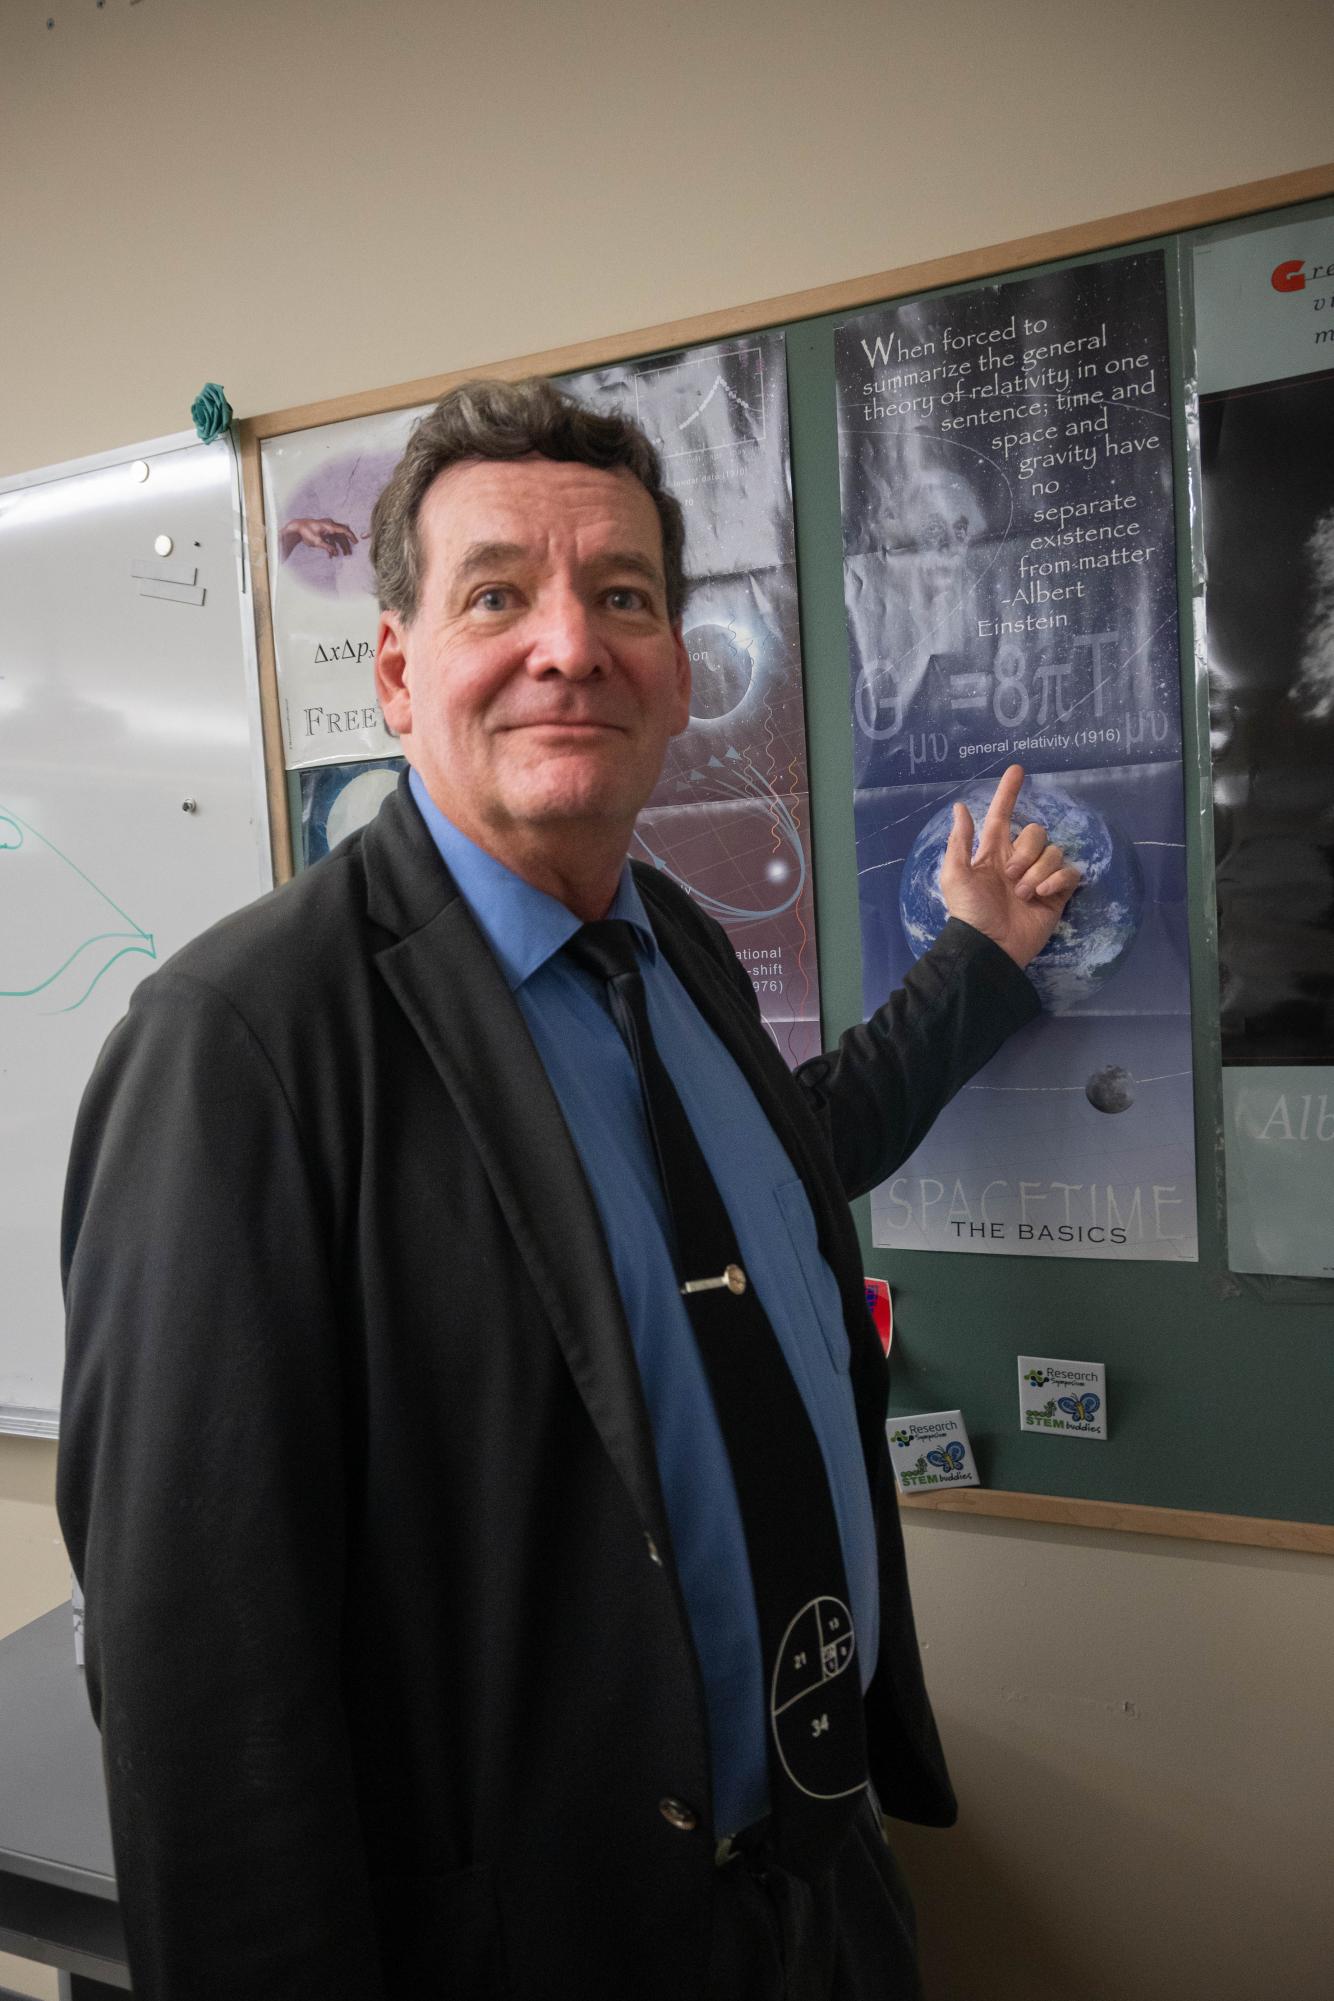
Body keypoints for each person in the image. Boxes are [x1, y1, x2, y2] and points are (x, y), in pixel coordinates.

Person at [58, 378, 1079, 2000]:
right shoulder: (243, 1048)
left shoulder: (674, 951)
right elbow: (204, 1698)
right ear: (397, 667)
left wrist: (970, 966)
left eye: (622, 597)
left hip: (824, 1896)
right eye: (495, 595)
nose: (568, 644)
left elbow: (784, 1167)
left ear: (677, 673)